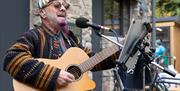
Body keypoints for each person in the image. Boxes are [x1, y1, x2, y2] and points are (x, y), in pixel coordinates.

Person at [3, 0, 119, 90]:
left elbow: (93, 61)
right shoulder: (34, 36)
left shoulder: (70, 39)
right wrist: (53, 75)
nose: (63, 8)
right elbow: (12, 58)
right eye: (57, 5)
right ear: (42, 12)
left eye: (65, 6)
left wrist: (120, 48)